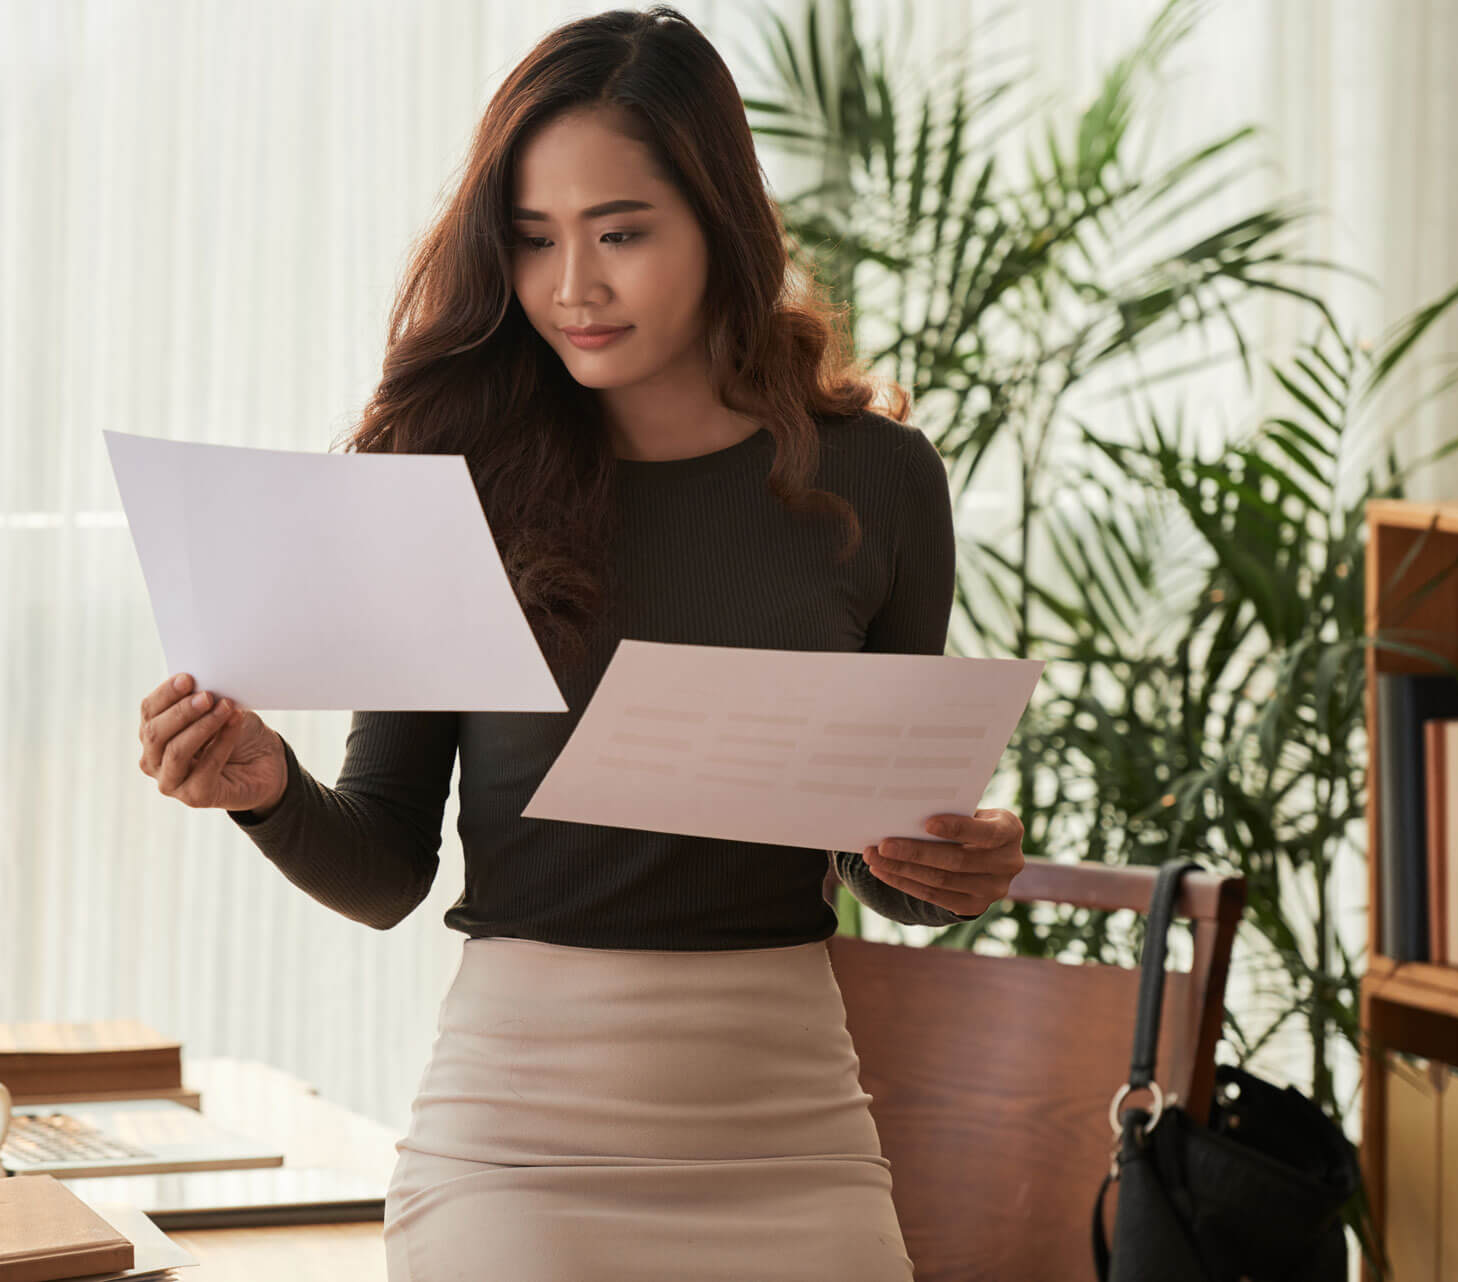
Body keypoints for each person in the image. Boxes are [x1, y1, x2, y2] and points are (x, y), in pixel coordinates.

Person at [135, 7, 1026, 1278]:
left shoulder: (882, 481)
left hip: (794, 1132)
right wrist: (267, 791)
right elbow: (387, 865)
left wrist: (942, 861)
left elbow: (873, 852)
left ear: (723, 219)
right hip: (517, 1147)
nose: (573, 288)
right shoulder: (456, 476)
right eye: (535, 239)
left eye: (621, 233)